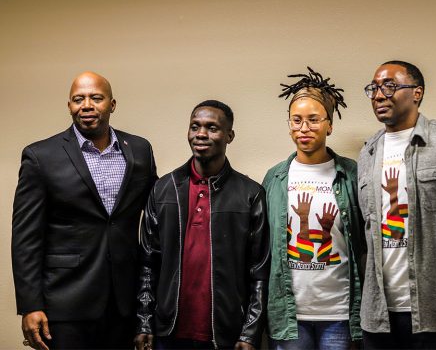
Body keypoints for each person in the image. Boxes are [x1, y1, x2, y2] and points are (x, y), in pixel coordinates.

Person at [12, 71, 157, 350]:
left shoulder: (139, 150)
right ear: (69, 106)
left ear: (112, 104)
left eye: (96, 98)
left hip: (125, 303)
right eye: (78, 99)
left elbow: (156, 213)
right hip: (66, 304)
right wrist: (30, 305)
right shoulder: (41, 156)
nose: (87, 105)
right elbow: (25, 239)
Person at [358, 61, 436, 349]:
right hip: (378, 315)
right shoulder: (367, 152)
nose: (378, 95)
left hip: (435, 312)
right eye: (373, 88)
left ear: (417, 93)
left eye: (389, 86)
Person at [135, 100, 270, 350]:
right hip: (168, 332)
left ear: (229, 135)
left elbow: (259, 272)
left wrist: (250, 333)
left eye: (212, 127)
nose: (201, 134)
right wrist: (144, 322)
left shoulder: (250, 194)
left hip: (225, 334)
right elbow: (147, 264)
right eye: (194, 126)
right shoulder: (163, 189)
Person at [262, 67, 365, 349]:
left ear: (329, 125)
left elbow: (365, 240)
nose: (304, 128)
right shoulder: (275, 178)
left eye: (313, 120)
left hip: (340, 315)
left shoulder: (351, 174)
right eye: (296, 120)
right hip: (289, 317)